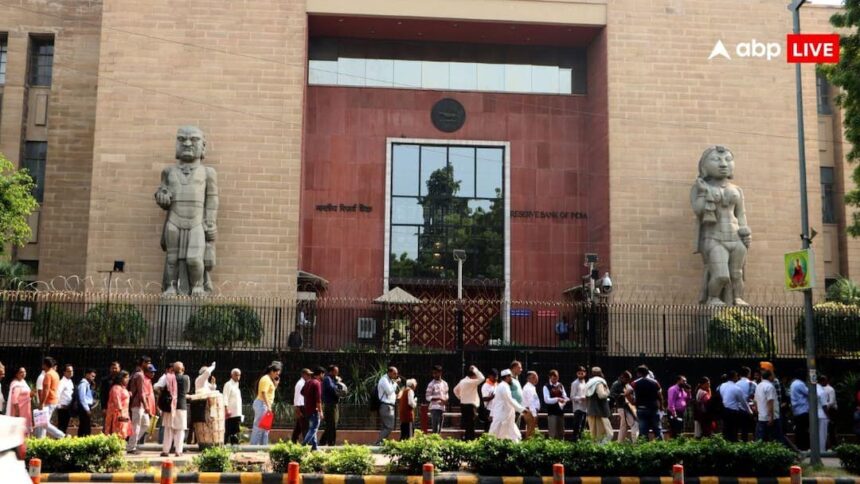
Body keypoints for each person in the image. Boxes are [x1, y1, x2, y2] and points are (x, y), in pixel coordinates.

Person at [155, 362, 190, 457]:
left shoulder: (167, 377)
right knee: (180, 430)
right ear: (183, 369)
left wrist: (163, 392)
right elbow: (186, 390)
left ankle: (165, 451)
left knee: (168, 430)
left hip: (169, 407)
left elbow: (156, 387)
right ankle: (178, 451)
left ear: (173, 369)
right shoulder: (186, 378)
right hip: (181, 406)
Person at [128, 359, 156, 454]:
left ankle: (131, 444)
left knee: (145, 424)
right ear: (143, 363)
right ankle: (131, 448)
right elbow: (141, 392)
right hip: (138, 404)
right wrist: (146, 405)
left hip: (140, 405)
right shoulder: (139, 375)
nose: (149, 365)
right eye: (148, 363)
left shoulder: (138, 374)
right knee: (136, 426)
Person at [488, 369, 525, 441]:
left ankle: (516, 446)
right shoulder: (503, 386)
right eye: (510, 376)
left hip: (507, 415)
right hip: (502, 415)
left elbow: (495, 401)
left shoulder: (504, 386)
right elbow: (509, 400)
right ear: (506, 377)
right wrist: (522, 409)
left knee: (512, 434)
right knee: (494, 433)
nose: (511, 378)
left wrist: (491, 413)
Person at [250, 361, 281, 445]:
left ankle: (263, 446)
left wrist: (276, 384)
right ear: (272, 371)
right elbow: (263, 393)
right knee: (259, 427)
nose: (277, 376)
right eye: (276, 373)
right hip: (262, 404)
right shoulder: (266, 379)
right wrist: (268, 406)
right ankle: (253, 447)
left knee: (265, 427)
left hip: (265, 405)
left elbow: (270, 392)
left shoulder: (269, 379)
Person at [453, 365, 485, 441]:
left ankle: (467, 440)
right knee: (471, 426)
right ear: (473, 375)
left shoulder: (462, 381)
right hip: (471, 406)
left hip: (463, 405)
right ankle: (470, 441)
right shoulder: (471, 382)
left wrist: (460, 397)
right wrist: (475, 369)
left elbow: (455, 390)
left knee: (467, 425)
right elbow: (482, 378)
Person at [35, 357, 64, 439]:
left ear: (45, 365)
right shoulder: (55, 374)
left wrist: (42, 403)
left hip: (48, 401)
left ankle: (62, 435)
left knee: (44, 423)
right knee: (42, 422)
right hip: (53, 400)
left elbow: (46, 390)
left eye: (43, 364)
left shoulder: (48, 375)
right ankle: (40, 439)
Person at [632, 365, 663, 441]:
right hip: (653, 408)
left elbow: (627, 392)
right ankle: (661, 445)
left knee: (643, 431)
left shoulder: (635, 383)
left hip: (641, 409)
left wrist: (633, 402)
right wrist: (661, 406)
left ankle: (644, 446)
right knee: (657, 429)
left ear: (639, 373)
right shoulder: (655, 382)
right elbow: (660, 395)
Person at [720, 370, 752, 442]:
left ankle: (725, 443)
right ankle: (733, 442)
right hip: (733, 412)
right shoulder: (736, 388)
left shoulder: (722, 386)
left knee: (726, 429)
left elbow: (723, 396)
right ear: (734, 377)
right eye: (737, 376)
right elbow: (743, 402)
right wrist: (749, 411)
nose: (738, 377)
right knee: (734, 430)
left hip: (725, 409)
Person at [754, 370, 784, 444]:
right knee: (776, 440)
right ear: (770, 376)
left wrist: (757, 412)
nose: (774, 377)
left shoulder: (758, 386)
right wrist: (771, 417)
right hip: (771, 418)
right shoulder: (770, 386)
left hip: (761, 417)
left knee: (761, 440)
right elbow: (770, 402)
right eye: (773, 375)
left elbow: (755, 400)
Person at [585, 367, 613, 444]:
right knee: (606, 433)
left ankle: (595, 449)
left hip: (591, 411)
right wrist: (607, 392)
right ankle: (601, 449)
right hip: (600, 412)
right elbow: (602, 395)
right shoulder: (599, 383)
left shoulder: (589, 383)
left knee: (594, 435)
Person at [611, 371, 638, 442]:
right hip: (622, 407)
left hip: (627, 407)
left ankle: (620, 443)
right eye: (627, 379)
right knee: (634, 424)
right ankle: (636, 443)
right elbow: (612, 395)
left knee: (624, 427)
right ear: (622, 377)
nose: (628, 381)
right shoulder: (616, 384)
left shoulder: (626, 384)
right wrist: (623, 395)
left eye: (629, 380)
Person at [104, 370, 131, 439]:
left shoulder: (123, 388)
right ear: (121, 378)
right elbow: (117, 401)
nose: (128, 379)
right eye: (126, 377)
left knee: (123, 432)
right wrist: (121, 413)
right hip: (117, 414)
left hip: (124, 413)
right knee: (117, 433)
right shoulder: (116, 388)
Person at [376, 367, 400, 444]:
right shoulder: (384, 380)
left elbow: (391, 393)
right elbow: (389, 391)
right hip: (386, 406)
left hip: (389, 406)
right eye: (394, 373)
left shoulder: (389, 380)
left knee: (386, 427)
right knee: (389, 427)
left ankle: (381, 443)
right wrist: (396, 383)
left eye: (396, 373)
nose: (396, 375)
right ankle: (378, 442)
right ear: (389, 373)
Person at [302, 367, 324, 450]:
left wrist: (309, 398)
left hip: (308, 409)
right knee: (313, 429)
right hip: (314, 410)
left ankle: (314, 448)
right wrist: (321, 412)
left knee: (312, 428)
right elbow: (318, 400)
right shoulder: (317, 383)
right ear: (320, 374)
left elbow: (302, 392)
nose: (323, 376)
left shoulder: (308, 382)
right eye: (323, 374)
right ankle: (303, 446)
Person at [543, 369, 568, 440]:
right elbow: (547, 400)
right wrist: (557, 399)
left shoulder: (560, 385)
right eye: (554, 378)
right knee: (553, 433)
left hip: (560, 412)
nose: (556, 380)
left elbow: (565, 396)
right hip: (552, 413)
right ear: (550, 377)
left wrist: (565, 400)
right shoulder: (546, 386)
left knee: (561, 433)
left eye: (557, 378)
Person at [7, 367, 32, 435]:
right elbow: (14, 399)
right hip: (20, 410)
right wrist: (17, 412)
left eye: (24, 372)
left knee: (25, 427)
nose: (24, 373)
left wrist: (31, 394)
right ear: (16, 374)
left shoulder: (23, 382)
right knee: (20, 429)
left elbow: (25, 395)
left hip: (26, 409)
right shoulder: (16, 384)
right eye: (21, 372)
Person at [789, 368, 809, 450]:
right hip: (803, 409)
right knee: (803, 430)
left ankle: (799, 446)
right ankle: (804, 446)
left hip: (796, 410)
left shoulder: (793, 383)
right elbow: (809, 393)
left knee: (799, 429)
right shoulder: (800, 384)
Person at [321, 365, 340, 446]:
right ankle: (331, 442)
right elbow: (332, 389)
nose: (337, 373)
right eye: (336, 371)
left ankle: (323, 441)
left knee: (331, 424)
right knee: (332, 424)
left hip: (334, 404)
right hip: (330, 404)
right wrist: (337, 383)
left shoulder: (332, 379)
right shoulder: (327, 379)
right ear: (331, 371)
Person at [222, 368, 243, 445]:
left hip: (237, 412)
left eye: (239, 375)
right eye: (236, 375)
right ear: (232, 375)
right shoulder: (228, 384)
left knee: (235, 431)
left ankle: (234, 445)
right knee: (228, 430)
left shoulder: (236, 385)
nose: (238, 377)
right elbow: (225, 397)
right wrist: (226, 409)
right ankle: (223, 445)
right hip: (230, 413)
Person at [425, 365, 448, 434]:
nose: (434, 375)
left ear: (440, 373)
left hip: (442, 408)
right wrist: (438, 398)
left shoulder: (445, 384)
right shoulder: (431, 384)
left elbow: (446, 394)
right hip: (434, 408)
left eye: (436, 373)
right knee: (435, 428)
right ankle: (434, 439)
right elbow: (427, 397)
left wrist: (445, 400)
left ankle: (437, 440)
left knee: (440, 428)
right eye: (433, 373)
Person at [817, 375, 837, 451]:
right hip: (823, 413)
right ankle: (822, 450)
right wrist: (828, 416)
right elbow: (824, 405)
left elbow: (831, 401)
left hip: (825, 411)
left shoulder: (816, 389)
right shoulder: (821, 391)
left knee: (822, 432)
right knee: (823, 434)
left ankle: (824, 448)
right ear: (822, 381)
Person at [736, 367, 756, 441]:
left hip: (739, 409)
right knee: (754, 429)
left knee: (742, 430)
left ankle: (743, 444)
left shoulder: (736, 384)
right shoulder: (753, 384)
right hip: (751, 409)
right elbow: (756, 397)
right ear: (749, 374)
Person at [292, 369, 311, 443]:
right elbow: (297, 397)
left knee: (299, 426)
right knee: (305, 426)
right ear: (303, 375)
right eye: (308, 375)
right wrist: (298, 409)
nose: (309, 376)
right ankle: (306, 443)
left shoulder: (305, 383)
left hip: (303, 406)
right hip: (301, 407)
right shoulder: (300, 384)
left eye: (310, 375)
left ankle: (293, 440)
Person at [569, 366, 588, 441]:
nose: (580, 374)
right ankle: (575, 442)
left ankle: (581, 442)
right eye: (579, 373)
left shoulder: (585, 383)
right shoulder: (574, 383)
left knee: (583, 427)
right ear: (577, 374)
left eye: (582, 373)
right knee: (577, 427)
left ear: (585, 373)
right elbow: (572, 396)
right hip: (578, 408)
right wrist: (580, 398)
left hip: (585, 408)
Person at [76, 368, 96, 437]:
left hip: (86, 406)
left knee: (84, 425)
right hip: (84, 407)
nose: (93, 378)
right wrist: (87, 409)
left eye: (94, 377)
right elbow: (82, 398)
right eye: (92, 376)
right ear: (87, 375)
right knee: (85, 426)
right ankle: (84, 439)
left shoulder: (88, 384)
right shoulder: (83, 384)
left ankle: (82, 438)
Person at [56, 364, 75, 434]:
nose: (71, 372)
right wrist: (59, 405)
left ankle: (62, 438)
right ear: (64, 372)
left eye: (72, 371)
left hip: (68, 407)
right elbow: (57, 394)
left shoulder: (70, 381)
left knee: (65, 426)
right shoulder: (62, 382)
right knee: (61, 426)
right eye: (69, 371)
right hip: (62, 408)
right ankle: (59, 439)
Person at [522, 371, 540, 439]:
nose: (536, 379)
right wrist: (534, 414)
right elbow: (531, 402)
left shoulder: (531, 387)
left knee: (532, 431)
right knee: (530, 431)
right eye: (533, 377)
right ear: (528, 379)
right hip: (530, 412)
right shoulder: (528, 388)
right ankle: (528, 444)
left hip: (532, 411)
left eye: (536, 377)